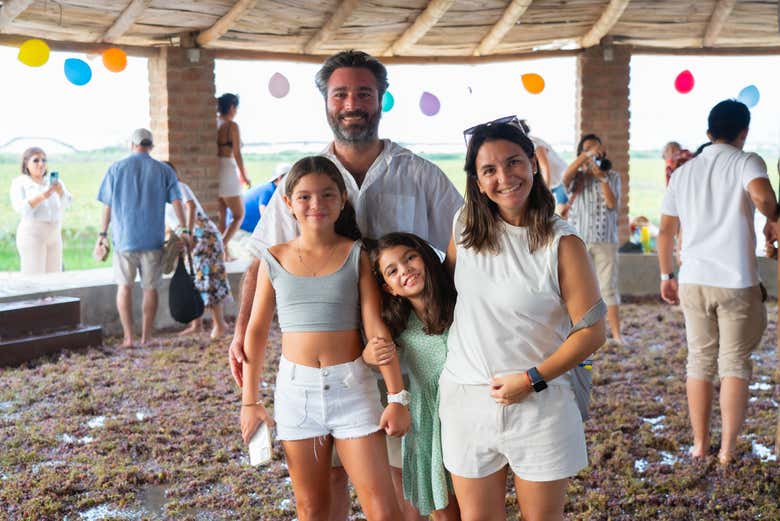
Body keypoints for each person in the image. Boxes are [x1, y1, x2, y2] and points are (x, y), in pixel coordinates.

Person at [228, 50, 463, 521]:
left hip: (404, 352)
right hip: (322, 364)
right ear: (326, 102)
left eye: (363, 93)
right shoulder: (306, 178)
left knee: (409, 479)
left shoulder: (420, 175)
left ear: (381, 100)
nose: (352, 103)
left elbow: (465, 242)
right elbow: (262, 259)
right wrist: (240, 332)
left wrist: (453, 318)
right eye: (340, 94)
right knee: (327, 480)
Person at [439, 118, 605, 521]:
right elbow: (445, 295)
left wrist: (531, 378)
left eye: (513, 163)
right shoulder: (463, 227)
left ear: (533, 164)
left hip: (540, 404)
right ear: (477, 181)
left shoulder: (562, 243)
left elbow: (592, 332)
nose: (504, 177)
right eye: (489, 170)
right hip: (465, 399)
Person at [240, 156, 410, 521]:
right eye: (304, 197)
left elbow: (375, 329)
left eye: (327, 195)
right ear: (288, 203)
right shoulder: (274, 258)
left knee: (383, 509)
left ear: (342, 200)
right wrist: (249, 401)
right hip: (295, 394)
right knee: (311, 508)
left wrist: (397, 397)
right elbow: (255, 333)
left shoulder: (357, 254)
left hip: (353, 390)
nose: (316, 204)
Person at [657, 99, 778, 466]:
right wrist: (771, 213)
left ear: (709, 133)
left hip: (693, 280)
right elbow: (761, 196)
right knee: (734, 363)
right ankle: (726, 450)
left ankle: (698, 444)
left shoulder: (683, 172)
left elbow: (665, 231)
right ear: (743, 132)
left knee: (699, 362)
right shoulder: (747, 161)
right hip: (736, 280)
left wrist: (666, 276)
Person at [363, 232, 460, 521]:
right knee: (443, 506)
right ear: (388, 288)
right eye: (392, 271)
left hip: (464, 407)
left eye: (410, 258)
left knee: (476, 504)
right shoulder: (398, 321)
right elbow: (372, 353)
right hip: (428, 416)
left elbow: (457, 235)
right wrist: (370, 355)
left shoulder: (458, 297)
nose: (405, 270)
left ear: (426, 257)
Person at [96, 128, 190, 348]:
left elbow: (107, 206)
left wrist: (102, 234)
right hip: (153, 240)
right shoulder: (163, 170)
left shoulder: (116, 169)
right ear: (151, 146)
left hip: (124, 240)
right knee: (150, 288)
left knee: (124, 287)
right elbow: (178, 201)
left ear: (132, 144)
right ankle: (147, 337)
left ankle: (128, 338)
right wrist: (184, 229)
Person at [561, 133, 623, 344]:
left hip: (606, 240)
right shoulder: (576, 177)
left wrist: (602, 177)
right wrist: (585, 157)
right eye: (588, 149)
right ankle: (578, 334)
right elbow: (563, 179)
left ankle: (616, 335)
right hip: (579, 241)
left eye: (597, 149)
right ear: (581, 153)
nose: (593, 153)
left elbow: (613, 204)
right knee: (577, 289)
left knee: (608, 287)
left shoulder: (612, 176)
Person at [163, 161, 231, 339]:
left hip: (202, 236)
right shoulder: (162, 196)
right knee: (194, 278)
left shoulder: (179, 186)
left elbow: (190, 206)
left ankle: (220, 324)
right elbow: (171, 224)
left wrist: (190, 233)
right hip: (188, 238)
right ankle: (197, 323)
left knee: (210, 277)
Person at [10, 147, 72, 274]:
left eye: (44, 160)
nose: (41, 164)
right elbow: (21, 209)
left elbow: (67, 203)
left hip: (54, 232)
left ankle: (51, 295)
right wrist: (43, 195)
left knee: (55, 274)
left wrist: (60, 191)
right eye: (36, 160)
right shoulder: (20, 183)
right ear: (26, 163)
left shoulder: (54, 181)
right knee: (34, 275)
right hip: (33, 233)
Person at [217, 93, 250, 260]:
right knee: (238, 215)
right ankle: (221, 246)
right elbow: (236, 153)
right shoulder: (231, 126)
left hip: (214, 171)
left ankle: (223, 254)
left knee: (221, 215)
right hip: (228, 170)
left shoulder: (212, 123)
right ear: (231, 107)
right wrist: (244, 176)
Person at [518, 119, 569, 215]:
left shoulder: (533, 142)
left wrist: (545, 191)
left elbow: (545, 167)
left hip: (560, 179)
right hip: (553, 181)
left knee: (561, 213)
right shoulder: (528, 142)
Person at [239, 162, 291, 233]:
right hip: (242, 227)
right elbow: (265, 216)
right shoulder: (269, 190)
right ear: (279, 178)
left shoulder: (273, 189)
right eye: (289, 179)